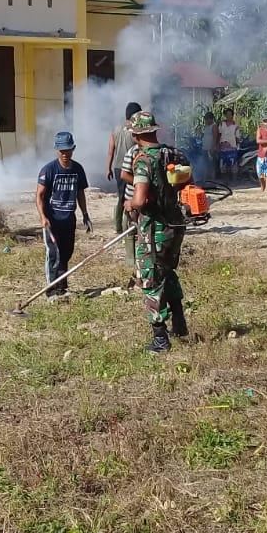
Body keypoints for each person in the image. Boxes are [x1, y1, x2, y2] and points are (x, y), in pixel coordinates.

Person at [128, 112, 187, 353]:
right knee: (168, 272)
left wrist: (130, 204)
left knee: (151, 279)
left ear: (135, 135)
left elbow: (140, 199)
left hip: (154, 229)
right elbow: (184, 183)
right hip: (176, 225)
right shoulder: (173, 154)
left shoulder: (144, 160)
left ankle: (160, 338)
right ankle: (180, 322)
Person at [35, 131, 91, 298]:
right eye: (62, 151)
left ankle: (62, 286)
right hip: (52, 221)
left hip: (69, 219)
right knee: (53, 255)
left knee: (66, 253)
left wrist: (85, 214)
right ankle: (51, 290)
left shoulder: (78, 169)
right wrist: (43, 217)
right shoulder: (49, 170)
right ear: (56, 150)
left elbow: (80, 193)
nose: (65, 154)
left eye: (68, 150)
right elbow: (39, 195)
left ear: (73, 149)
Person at [106, 102, 141, 269]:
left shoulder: (116, 129)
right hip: (130, 167)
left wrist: (108, 167)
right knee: (130, 197)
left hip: (118, 167)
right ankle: (127, 227)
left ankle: (118, 227)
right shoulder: (134, 132)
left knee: (121, 197)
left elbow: (110, 150)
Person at [217, 108, 240, 180]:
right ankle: (225, 181)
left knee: (233, 165)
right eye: (227, 114)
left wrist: (237, 146)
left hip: (232, 148)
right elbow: (219, 135)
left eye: (230, 114)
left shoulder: (236, 126)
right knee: (222, 166)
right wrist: (217, 145)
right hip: (223, 148)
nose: (228, 116)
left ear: (232, 115)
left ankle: (234, 181)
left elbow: (237, 137)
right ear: (225, 115)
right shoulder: (221, 124)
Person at [200, 111, 220, 176]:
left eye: (206, 119)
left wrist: (213, 147)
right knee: (206, 163)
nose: (205, 121)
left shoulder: (214, 126)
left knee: (211, 164)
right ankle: (207, 176)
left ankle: (213, 177)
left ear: (210, 119)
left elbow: (215, 137)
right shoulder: (206, 126)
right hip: (205, 148)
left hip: (210, 148)